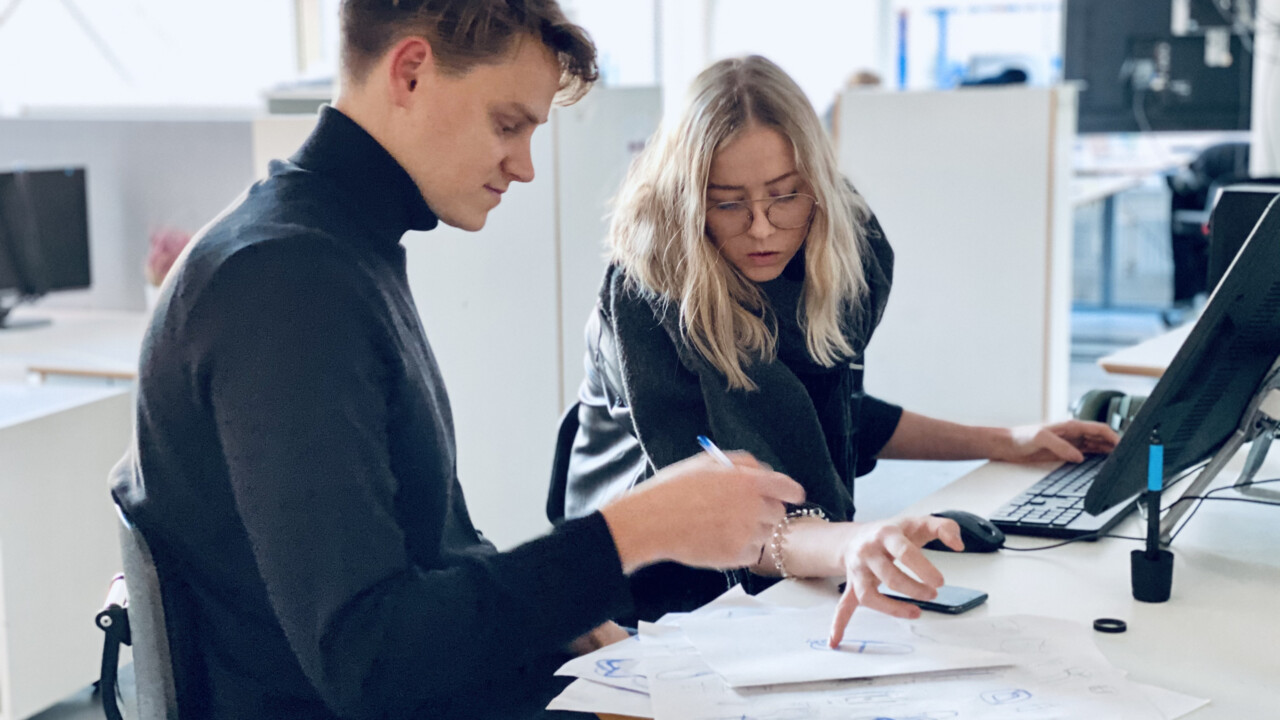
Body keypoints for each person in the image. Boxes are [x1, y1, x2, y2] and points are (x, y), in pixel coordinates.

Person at [108, 6, 958, 719]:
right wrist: (636, 531)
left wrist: (569, 619)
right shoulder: (288, 282)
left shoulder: (331, 248)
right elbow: (371, 658)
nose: (522, 165)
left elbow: (426, 553)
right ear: (410, 72)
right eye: (508, 124)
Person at [559, 55, 1120, 625]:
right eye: (727, 202)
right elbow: (717, 514)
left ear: (817, 186)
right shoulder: (650, 293)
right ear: (686, 200)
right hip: (655, 600)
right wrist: (848, 543)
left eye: (785, 196)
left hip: (788, 575)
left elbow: (836, 410)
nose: (761, 226)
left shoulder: (839, 247)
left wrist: (1006, 440)